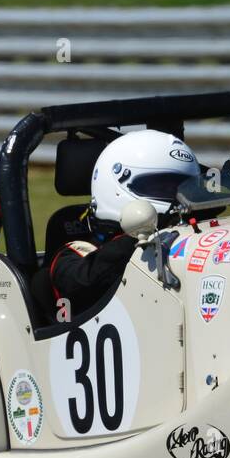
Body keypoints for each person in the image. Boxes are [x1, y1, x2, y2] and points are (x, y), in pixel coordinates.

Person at [50, 129, 200, 318]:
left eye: (184, 188)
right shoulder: (73, 256)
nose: (176, 198)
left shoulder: (189, 227)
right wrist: (146, 231)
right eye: (163, 187)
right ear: (115, 187)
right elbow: (84, 281)